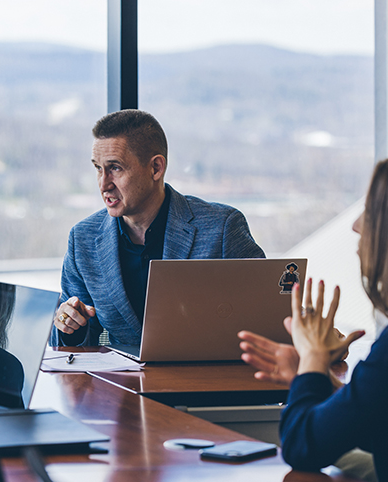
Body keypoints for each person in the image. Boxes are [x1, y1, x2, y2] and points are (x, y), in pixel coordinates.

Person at [239, 151, 388, 482]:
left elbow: (302, 446)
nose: (356, 225)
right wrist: (317, 381)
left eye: (370, 212)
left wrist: (312, 357)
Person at [52, 109, 265, 346]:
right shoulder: (83, 239)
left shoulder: (221, 228)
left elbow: (266, 318)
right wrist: (67, 325)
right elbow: (71, 344)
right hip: (121, 381)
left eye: (115, 168)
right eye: (98, 168)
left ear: (156, 168)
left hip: (204, 379)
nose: (103, 184)